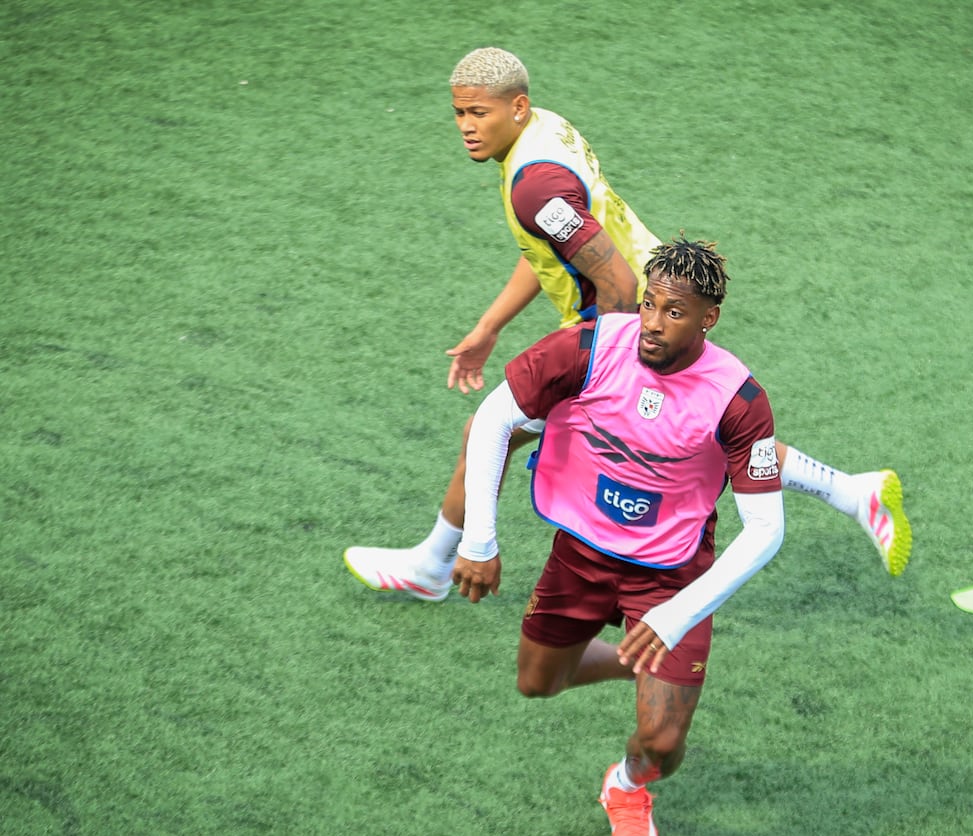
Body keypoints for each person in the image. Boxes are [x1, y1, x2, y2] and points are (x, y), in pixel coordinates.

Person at [343, 47, 910, 600]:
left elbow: (612, 280)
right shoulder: (545, 131)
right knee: (698, 431)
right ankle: (852, 492)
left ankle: (437, 563)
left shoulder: (534, 184)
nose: (466, 126)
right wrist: (492, 324)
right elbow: (551, 246)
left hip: (635, 321)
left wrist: (614, 367)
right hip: (652, 308)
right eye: (459, 114)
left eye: (478, 113)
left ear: (516, 107)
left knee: (502, 431)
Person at [452, 237, 784, 836]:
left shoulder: (739, 400)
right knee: (536, 684)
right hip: (580, 553)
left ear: (708, 318)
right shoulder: (589, 346)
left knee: (662, 743)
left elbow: (766, 529)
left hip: (672, 575)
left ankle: (627, 788)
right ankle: (640, 658)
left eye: (674, 312)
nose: (652, 324)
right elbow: (494, 420)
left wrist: (673, 615)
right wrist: (478, 540)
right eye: (650, 304)